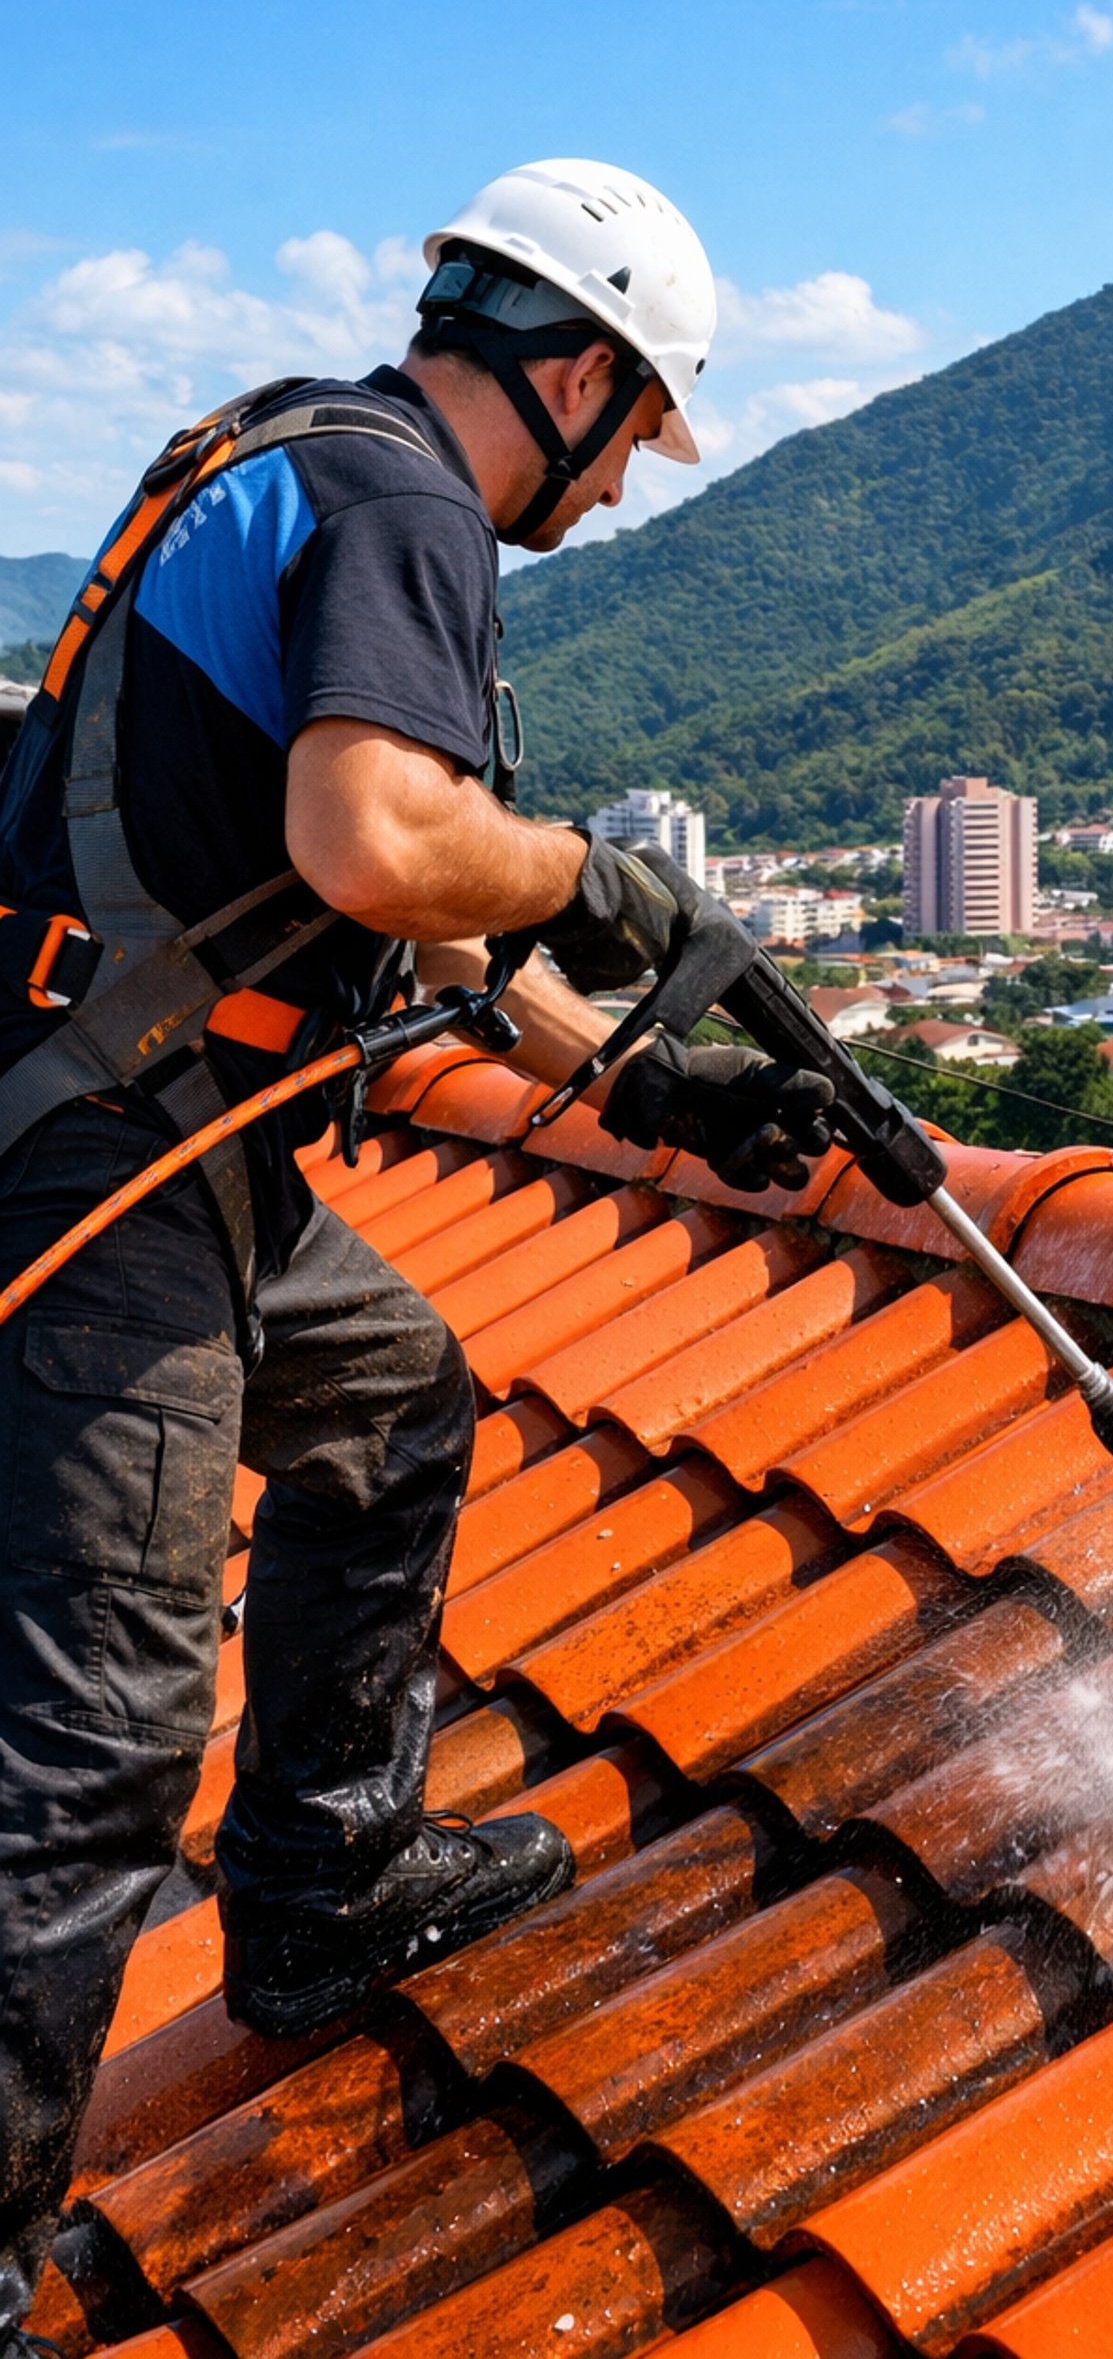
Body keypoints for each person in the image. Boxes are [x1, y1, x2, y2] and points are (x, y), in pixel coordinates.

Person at [0, 158, 833, 2342]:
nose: (635, 475)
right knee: (94, 1733)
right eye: (640, 423)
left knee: (395, 1402)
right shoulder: (408, 514)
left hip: (166, 1139)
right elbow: (382, 835)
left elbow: (400, 911)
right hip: (108, 1175)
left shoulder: (288, 449)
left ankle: (321, 1887)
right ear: (569, 373)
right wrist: (596, 870)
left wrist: (641, 1080)